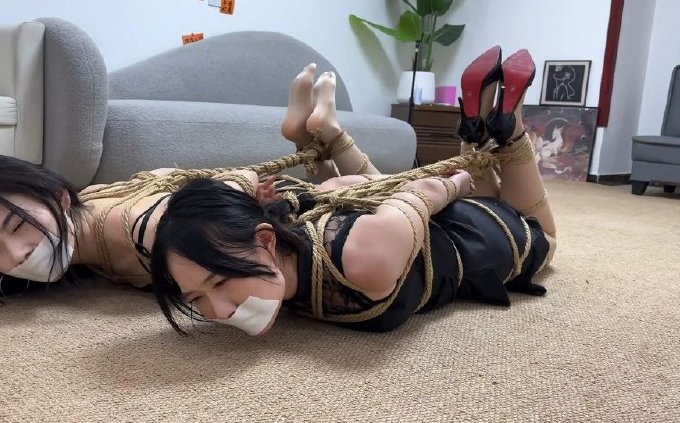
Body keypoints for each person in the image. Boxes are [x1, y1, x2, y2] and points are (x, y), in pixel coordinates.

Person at [149, 46, 557, 335]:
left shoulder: (364, 260)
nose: (220, 312)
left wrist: (456, 183)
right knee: (364, 190)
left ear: (266, 239)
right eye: (195, 299)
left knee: (544, 238)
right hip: (416, 231)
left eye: (221, 282)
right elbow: (361, 190)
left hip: (476, 236)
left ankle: (510, 127)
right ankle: (327, 132)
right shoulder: (285, 233)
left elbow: (424, 188)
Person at [0, 63, 387, 305]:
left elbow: (227, 242)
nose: (17, 254)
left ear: (58, 197)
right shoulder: (88, 208)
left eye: (17, 225)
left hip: (268, 209)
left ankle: (325, 133)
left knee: (383, 196)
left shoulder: (143, 233)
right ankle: (318, 132)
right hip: (226, 192)